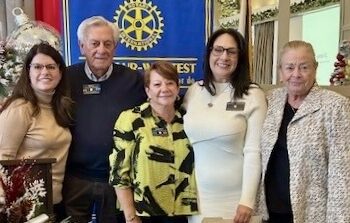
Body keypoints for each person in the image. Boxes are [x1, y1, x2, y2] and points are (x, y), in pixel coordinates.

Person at [62, 16, 146, 222]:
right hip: (75, 179)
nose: (102, 49)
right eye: (94, 43)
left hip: (117, 182)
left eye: (108, 44)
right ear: (82, 47)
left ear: (115, 47)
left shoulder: (133, 80)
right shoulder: (65, 79)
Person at [256, 40, 350, 223]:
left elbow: (342, 174)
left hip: (310, 215)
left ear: (315, 68)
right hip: (269, 213)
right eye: (290, 67)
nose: (296, 74)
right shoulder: (270, 101)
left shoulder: (336, 106)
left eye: (304, 67)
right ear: (280, 71)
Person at [182, 28, 267, 223]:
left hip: (235, 203)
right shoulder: (194, 91)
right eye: (218, 50)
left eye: (231, 51)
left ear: (240, 57)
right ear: (209, 53)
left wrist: (247, 201)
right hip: (197, 201)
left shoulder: (253, 95)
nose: (224, 56)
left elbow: (254, 152)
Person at [109, 61, 198, 223]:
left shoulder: (188, 121)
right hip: (142, 214)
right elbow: (119, 174)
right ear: (147, 90)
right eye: (157, 84)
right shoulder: (131, 119)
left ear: (178, 88)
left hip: (181, 214)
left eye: (170, 83)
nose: (164, 89)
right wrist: (131, 217)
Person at [0, 42, 73, 221]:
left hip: (54, 203)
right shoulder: (20, 108)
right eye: (38, 66)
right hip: (25, 209)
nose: (45, 72)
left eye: (51, 67)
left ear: (60, 72)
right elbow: (3, 158)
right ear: (28, 72)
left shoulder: (60, 107)